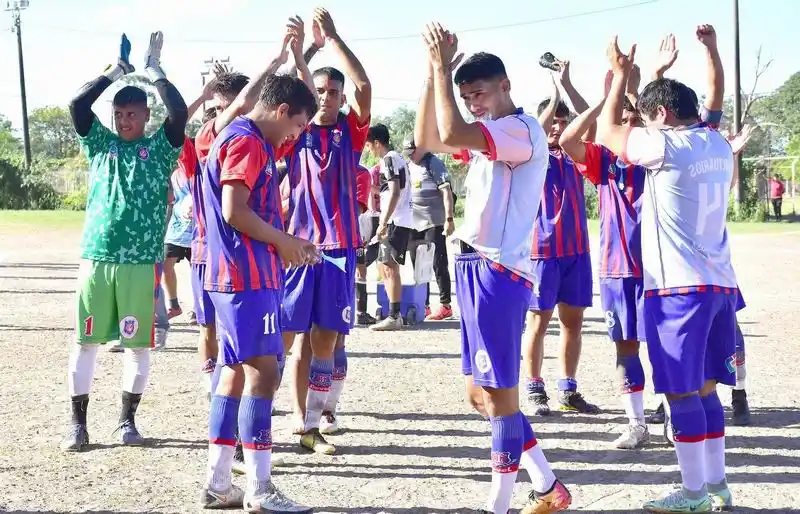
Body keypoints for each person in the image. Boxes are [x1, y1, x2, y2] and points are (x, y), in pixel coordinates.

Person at [415, 23, 571, 514]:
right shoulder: (490, 137)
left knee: (500, 397)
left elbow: (452, 131)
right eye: (466, 96)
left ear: (506, 85)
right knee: (479, 397)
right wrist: (431, 70)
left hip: (498, 271)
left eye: (478, 93)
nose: (473, 102)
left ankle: (498, 506)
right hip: (474, 265)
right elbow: (429, 138)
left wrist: (443, 68)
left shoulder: (520, 130)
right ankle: (548, 486)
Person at [600, 27, 737, 512]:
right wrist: (709, 53)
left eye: (647, 118)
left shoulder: (667, 147)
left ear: (660, 116)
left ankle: (694, 493)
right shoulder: (717, 144)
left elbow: (605, 134)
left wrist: (619, 77)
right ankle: (717, 484)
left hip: (677, 290)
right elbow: (713, 100)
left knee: (681, 394)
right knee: (706, 389)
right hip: (719, 285)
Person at [199, 57, 319, 514]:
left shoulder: (240, 137)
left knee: (232, 373)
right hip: (245, 279)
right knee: (264, 372)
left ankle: (217, 483)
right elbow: (235, 210)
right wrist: (285, 242)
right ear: (281, 109)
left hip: (234, 276)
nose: (296, 134)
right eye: (296, 124)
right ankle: (261, 489)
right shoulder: (247, 142)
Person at [61, 32, 188, 451]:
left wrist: (154, 73)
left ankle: (126, 422)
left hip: (140, 263)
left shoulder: (162, 149)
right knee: (86, 341)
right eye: (119, 114)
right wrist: (116, 70)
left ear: (145, 115)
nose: (124, 121)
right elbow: (77, 105)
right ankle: (78, 425)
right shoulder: (100, 144)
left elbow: (180, 111)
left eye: (132, 114)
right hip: (97, 258)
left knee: (136, 346)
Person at [279, 7, 371, 455]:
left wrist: (332, 38)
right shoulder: (294, 132)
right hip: (299, 247)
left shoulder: (351, 132)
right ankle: (298, 418)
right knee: (292, 339)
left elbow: (366, 86)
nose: (326, 97)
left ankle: (315, 422)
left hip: (339, 248)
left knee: (326, 341)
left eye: (333, 91)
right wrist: (299, 53)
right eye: (319, 90)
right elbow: (294, 85)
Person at [558, 80, 649, 447]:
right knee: (625, 348)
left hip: (658, 267)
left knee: (666, 348)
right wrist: (601, 100)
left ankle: (671, 415)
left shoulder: (659, 158)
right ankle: (636, 422)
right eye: (621, 120)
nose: (627, 127)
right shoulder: (605, 159)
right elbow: (567, 142)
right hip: (616, 267)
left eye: (634, 120)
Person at [522, 58, 598, 416]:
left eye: (563, 124)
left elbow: (592, 121)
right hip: (541, 251)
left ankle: (568, 389)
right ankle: (535, 389)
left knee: (573, 323)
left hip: (576, 252)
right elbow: (536, 128)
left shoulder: (577, 155)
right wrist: (552, 92)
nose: (557, 128)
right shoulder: (532, 154)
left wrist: (567, 83)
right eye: (553, 122)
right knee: (538, 321)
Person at [366, 123, 414, 331]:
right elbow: (389, 189)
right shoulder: (397, 159)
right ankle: (394, 314)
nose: (369, 150)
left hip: (396, 220)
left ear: (377, 143)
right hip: (397, 218)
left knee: (389, 267)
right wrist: (371, 187)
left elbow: (395, 192)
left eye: (369, 145)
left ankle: (395, 316)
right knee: (384, 266)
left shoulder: (389, 159)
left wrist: (383, 222)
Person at [403, 137, 456, 321]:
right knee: (418, 264)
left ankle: (445, 305)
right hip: (413, 222)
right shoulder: (409, 166)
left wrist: (449, 218)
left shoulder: (434, 163)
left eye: (413, 152)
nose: (411, 157)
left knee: (438, 263)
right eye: (408, 153)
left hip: (433, 220)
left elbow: (446, 192)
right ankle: (422, 304)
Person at [162, 136, 197, 321]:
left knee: (197, 272)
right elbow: (171, 198)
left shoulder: (199, 172)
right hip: (176, 230)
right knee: (165, 266)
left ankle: (197, 307)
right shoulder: (174, 174)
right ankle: (174, 305)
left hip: (196, 232)